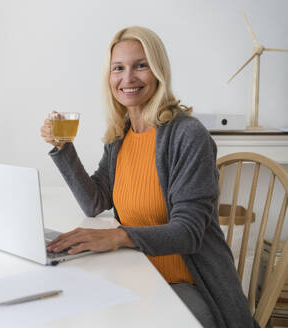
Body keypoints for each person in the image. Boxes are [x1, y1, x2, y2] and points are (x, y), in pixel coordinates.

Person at [40, 26, 258, 328]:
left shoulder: (187, 136)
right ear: (110, 78)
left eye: (140, 65)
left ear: (158, 71)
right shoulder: (120, 137)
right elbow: (95, 202)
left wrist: (116, 237)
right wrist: (63, 148)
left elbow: (188, 232)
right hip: (136, 273)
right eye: (119, 68)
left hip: (189, 286)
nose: (128, 78)